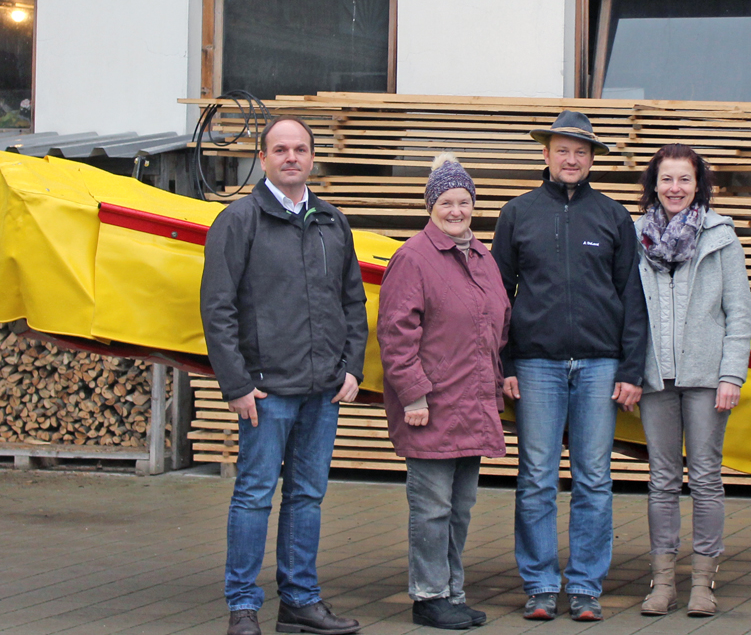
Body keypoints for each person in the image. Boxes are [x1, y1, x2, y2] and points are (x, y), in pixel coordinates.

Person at [201, 116, 368, 635]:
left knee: (306, 497)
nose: (291, 157)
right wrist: (236, 383)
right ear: (265, 158)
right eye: (280, 149)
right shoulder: (240, 220)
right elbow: (217, 307)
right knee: (253, 495)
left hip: (322, 391)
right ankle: (243, 606)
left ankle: (300, 601)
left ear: (313, 157)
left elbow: (353, 302)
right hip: (266, 391)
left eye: (300, 149)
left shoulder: (332, 222)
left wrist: (352, 367)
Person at [491, 110, 648, 623]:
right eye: (563, 149)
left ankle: (584, 586)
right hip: (535, 365)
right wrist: (506, 361)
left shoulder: (613, 216)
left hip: (601, 366)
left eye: (581, 151)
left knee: (594, 478)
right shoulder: (518, 214)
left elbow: (632, 296)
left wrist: (629, 370)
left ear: (591, 159)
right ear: (546, 154)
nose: (571, 158)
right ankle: (539, 584)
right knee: (536, 476)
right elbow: (497, 297)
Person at [377, 153, 513, 630]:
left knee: (459, 507)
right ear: (431, 205)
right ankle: (428, 596)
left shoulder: (482, 257)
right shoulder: (412, 257)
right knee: (432, 508)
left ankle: (452, 593)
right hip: (431, 407)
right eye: (447, 202)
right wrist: (414, 394)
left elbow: (496, 326)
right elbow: (395, 334)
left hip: (472, 404)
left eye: (464, 202)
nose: (457, 211)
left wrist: (498, 382)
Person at [634, 143, 751, 618]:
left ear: (698, 184)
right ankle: (662, 583)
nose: (675, 188)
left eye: (684, 179)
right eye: (666, 179)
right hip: (654, 378)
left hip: (706, 378)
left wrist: (731, 374)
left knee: (705, 478)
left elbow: (738, 312)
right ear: (654, 185)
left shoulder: (720, 235)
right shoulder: (635, 234)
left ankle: (703, 583)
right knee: (661, 479)